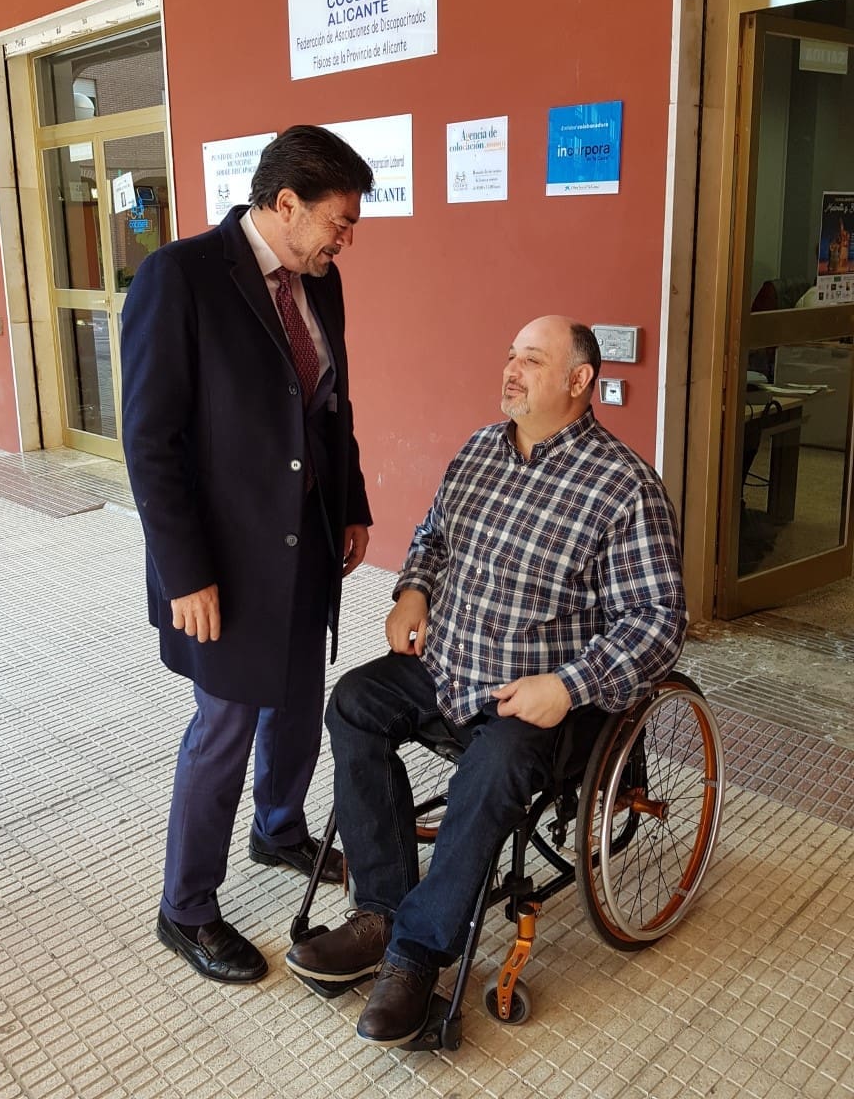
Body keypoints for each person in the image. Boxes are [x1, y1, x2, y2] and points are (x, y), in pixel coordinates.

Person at [285, 316, 687, 1045]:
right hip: (450, 669)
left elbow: (660, 622)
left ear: (578, 381)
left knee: (492, 767)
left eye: (531, 361)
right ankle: (379, 910)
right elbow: (433, 537)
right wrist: (413, 590)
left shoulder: (624, 487)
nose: (511, 370)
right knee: (352, 704)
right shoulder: (480, 450)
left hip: (542, 701)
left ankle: (416, 952)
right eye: (510, 356)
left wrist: (567, 684)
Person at [121, 125, 374, 984]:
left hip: (307, 540)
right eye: (338, 222)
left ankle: (279, 830)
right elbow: (150, 441)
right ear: (285, 202)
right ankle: (185, 908)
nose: (347, 239)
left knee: (300, 696)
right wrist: (184, 572)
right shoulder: (181, 277)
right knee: (224, 724)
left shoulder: (319, 282)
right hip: (221, 559)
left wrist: (355, 503)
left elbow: (332, 406)